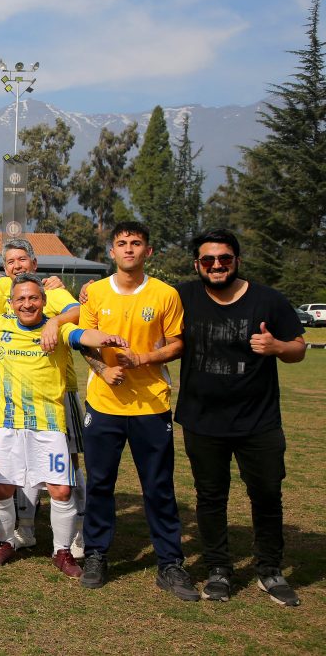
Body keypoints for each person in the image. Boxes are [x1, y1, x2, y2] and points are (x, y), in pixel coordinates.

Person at [0, 274, 126, 577]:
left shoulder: (58, 328)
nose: (27, 304)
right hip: (6, 424)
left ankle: (62, 551)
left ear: (43, 300)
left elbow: (83, 336)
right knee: (1, 487)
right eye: (21, 299)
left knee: (61, 490)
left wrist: (104, 338)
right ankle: (5, 542)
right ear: (11, 304)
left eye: (33, 298)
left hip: (49, 425)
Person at [176, 229, 305, 606]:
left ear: (237, 260)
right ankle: (219, 569)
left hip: (258, 421)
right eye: (208, 260)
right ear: (197, 264)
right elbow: (138, 299)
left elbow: (298, 348)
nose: (216, 266)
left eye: (225, 259)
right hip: (202, 420)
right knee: (210, 497)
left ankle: (269, 570)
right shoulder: (183, 296)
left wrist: (277, 346)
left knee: (267, 494)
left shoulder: (268, 300)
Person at [77, 221, 197, 600]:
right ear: (111, 252)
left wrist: (143, 359)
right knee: (99, 484)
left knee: (158, 487)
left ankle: (170, 563)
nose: (128, 249)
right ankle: (96, 554)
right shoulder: (94, 293)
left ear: (149, 251)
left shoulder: (165, 294)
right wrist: (103, 368)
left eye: (136, 244)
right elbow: (84, 341)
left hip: (151, 405)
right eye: (122, 244)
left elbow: (177, 345)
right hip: (104, 405)